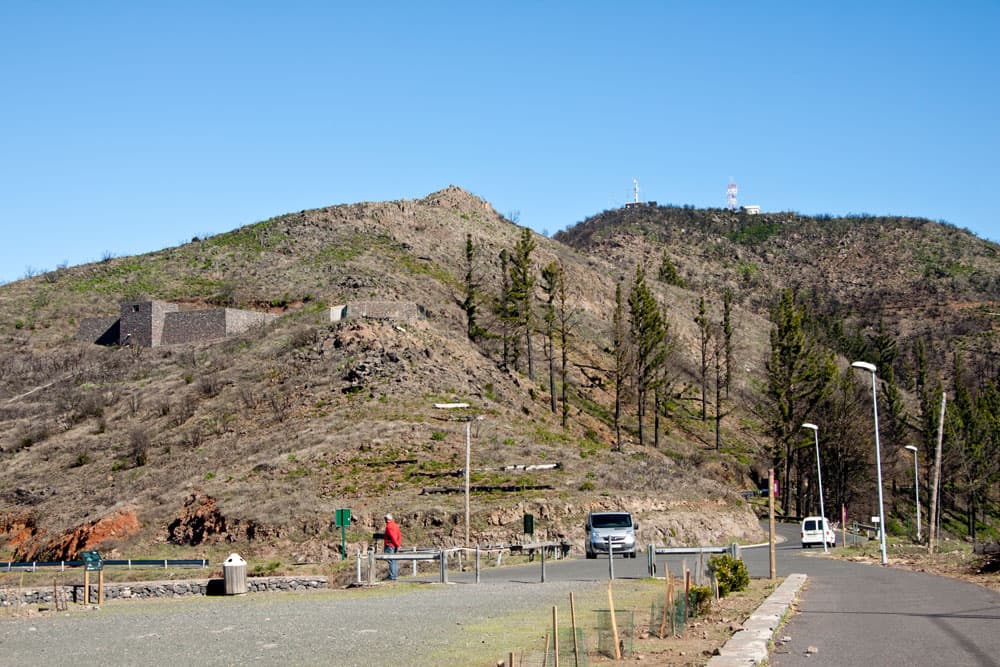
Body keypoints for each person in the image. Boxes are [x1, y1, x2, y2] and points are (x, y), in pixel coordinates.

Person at [383, 513, 402, 580]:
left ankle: (392, 576)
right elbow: (399, 535)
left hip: (390, 546)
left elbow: (392, 537)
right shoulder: (396, 525)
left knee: (391, 561)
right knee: (394, 561)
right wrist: (398, 544)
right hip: (395, 545)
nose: (384, 520)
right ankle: (394, 575)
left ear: (387, 519)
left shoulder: (389, 526)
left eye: (385, 519)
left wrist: (396, 544)